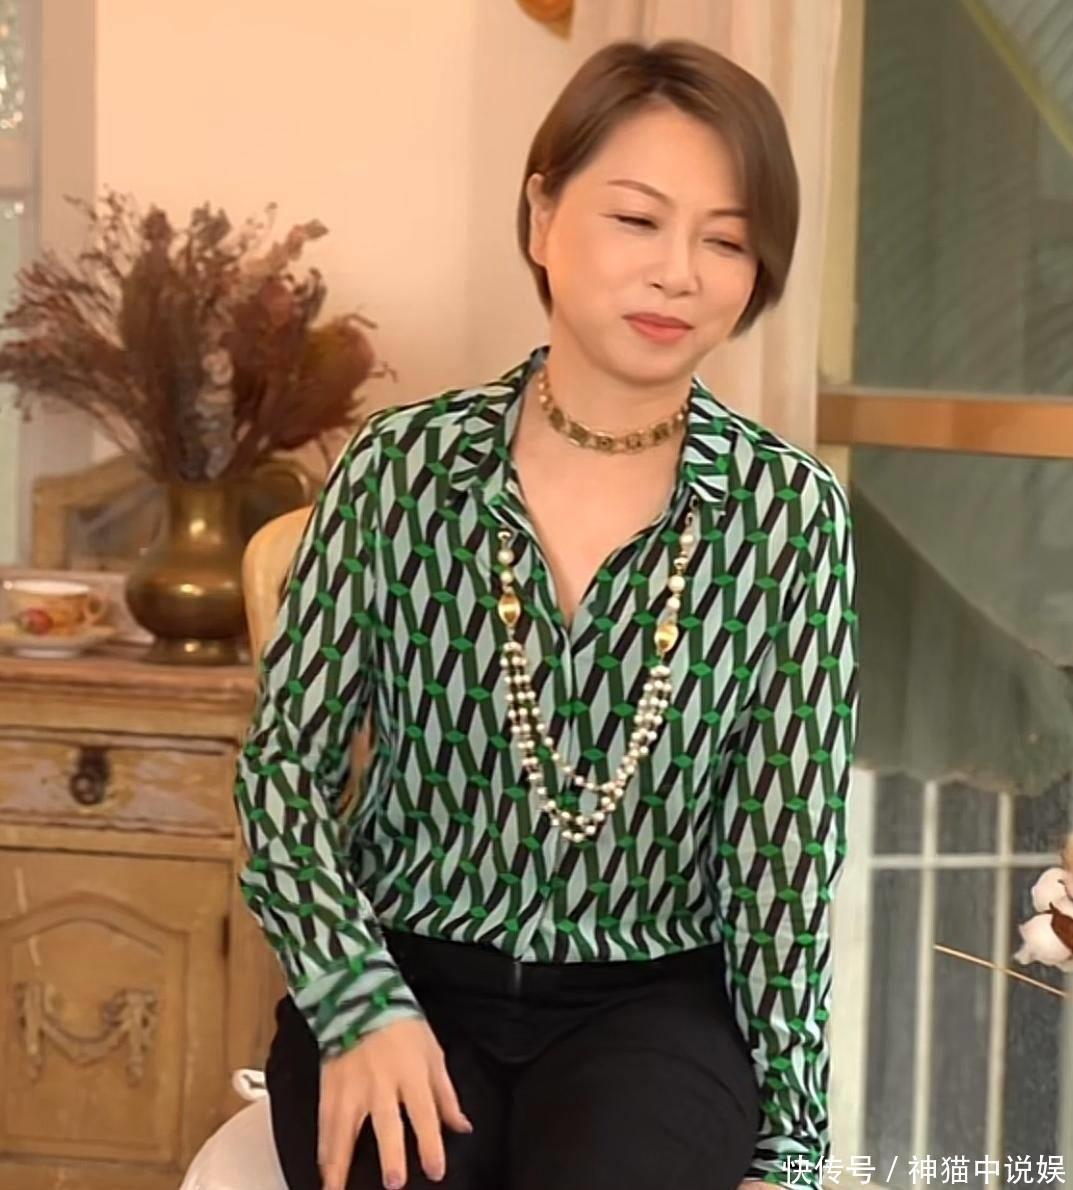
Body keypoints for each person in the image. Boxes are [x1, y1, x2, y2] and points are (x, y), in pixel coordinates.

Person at [234, 35, 859, 1190]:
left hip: (651, 1007)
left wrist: (790, 1149)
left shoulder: (787, 515)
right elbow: (283, 778)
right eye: (636, 219)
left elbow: (782, 857)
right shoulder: (400, 470)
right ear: (541, 216)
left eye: (725, 239)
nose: (677, 272)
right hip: (403, 977)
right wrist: (357, 1001)